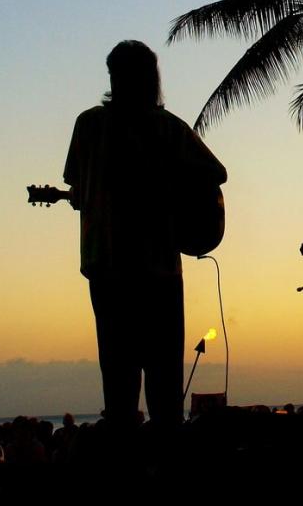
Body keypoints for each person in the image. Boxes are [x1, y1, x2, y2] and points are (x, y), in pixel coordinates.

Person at [64, 40, 227, 433]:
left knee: (118, 380)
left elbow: (77, 191)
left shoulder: (90, 125)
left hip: (109, 269)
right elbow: (215, 173)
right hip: (158, 272)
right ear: (152, 77)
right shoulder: (168, 127)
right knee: (164, 381)